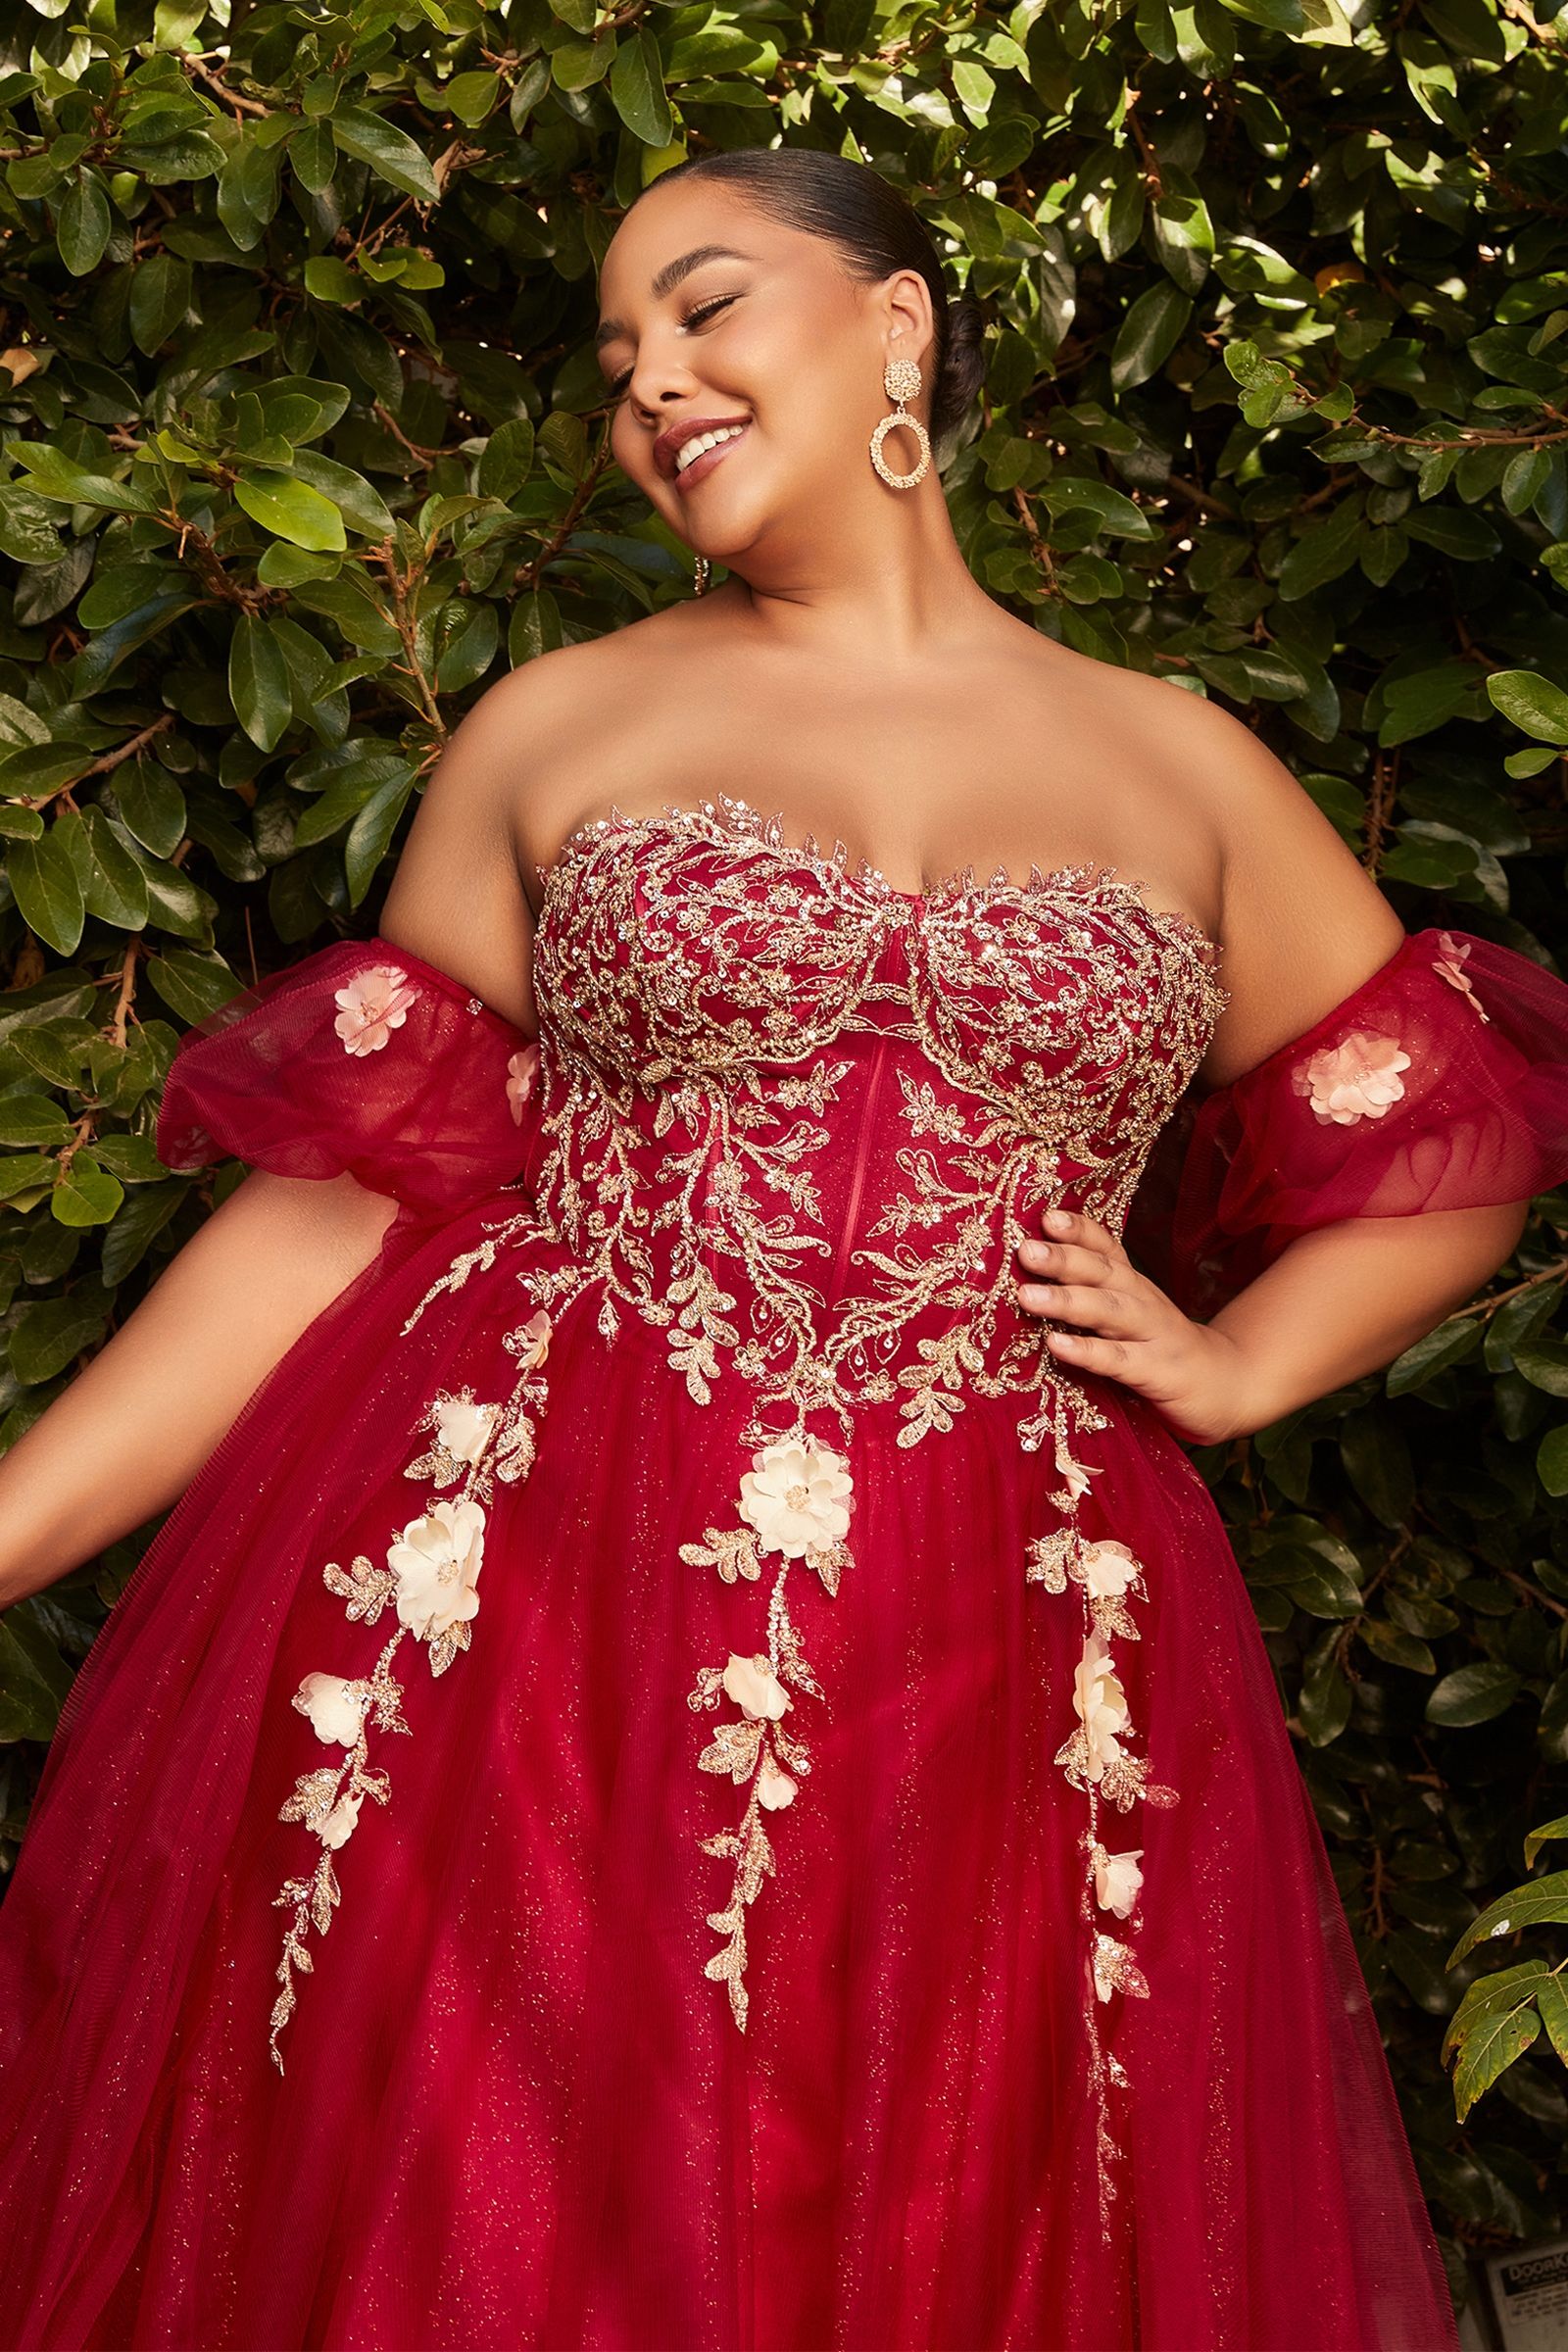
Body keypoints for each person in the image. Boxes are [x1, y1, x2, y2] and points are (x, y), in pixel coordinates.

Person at [0, 142, 1562, 2352]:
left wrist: (1240, 1366)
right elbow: (342, 1204)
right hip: (542, 1620)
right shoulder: (560, 727)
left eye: (704, 306)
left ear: (896, 322)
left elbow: (1440, 1129)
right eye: (617, 356)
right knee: (508, 2230)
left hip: (1008, 1644)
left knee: (951, 2224)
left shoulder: (1180, 765)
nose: (651, 379)